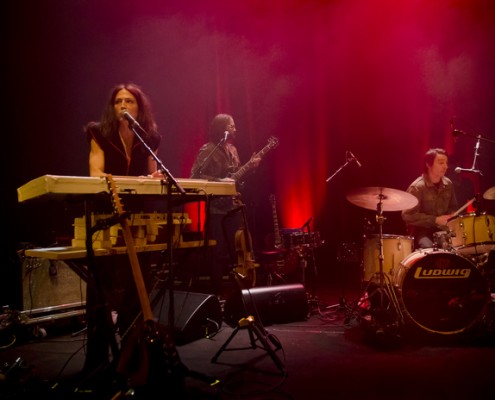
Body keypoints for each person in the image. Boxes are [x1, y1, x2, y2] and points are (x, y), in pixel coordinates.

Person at [82, 83, 164, 379]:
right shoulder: (98, 132)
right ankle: (95, 363)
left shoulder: (149, 136)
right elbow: (95, 173)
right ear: (112, 106)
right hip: (105, 213)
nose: (124, 105)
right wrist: (132, 181)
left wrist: (151, 177)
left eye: (129, 100)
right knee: (99, 290)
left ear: (139, 107)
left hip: (137, 215)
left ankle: (132, 357)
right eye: (118, 101)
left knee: (137, 288)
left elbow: (153, 171)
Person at [190, 113, 261, 296]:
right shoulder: (208, 150)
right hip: (215, 208)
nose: (235, 129)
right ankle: (218, 292)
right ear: (221, 128)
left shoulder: (233, 150)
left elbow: (238, 178)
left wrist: (251, 168)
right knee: (217, 251)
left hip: (234, 205)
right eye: (231, 125)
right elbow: (195, 176)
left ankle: (241, 292)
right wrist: (219, 181)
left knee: (238, 249)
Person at [402, 148, 458, 249]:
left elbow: (453, 207)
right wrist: (435, 220)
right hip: (422, 231)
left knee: (460, 246)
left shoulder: (448, 184)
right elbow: (408, 215)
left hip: (443, 230)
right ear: (428, 164)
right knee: (429, 249)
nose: (445, 166)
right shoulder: (417, 187)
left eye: (446, 163)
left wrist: (452, 215)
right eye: (441, 163)